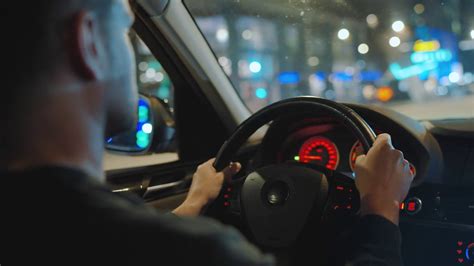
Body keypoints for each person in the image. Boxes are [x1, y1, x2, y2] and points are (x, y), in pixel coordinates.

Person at [0, 0, 414, 265]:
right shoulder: (200, 253)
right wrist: (379, 207)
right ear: (88, 42)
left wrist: (195, 200)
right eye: (126, 32)